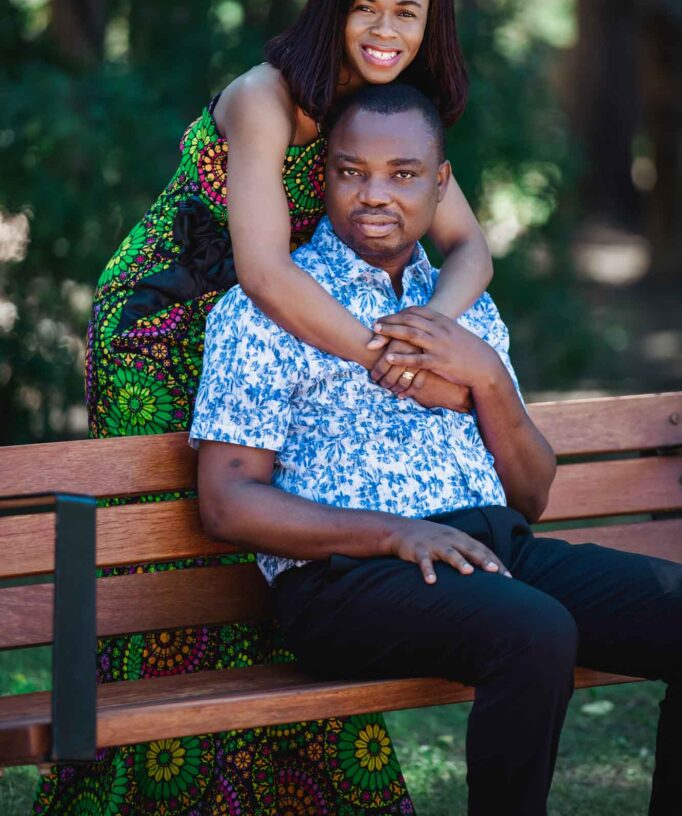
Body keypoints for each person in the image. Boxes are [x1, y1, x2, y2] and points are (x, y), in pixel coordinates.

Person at [34, 0, 491, 815]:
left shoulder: (390, 111)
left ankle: (283, 790)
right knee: (166, 563)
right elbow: (264, 272)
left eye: (408, 11)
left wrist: (433, 325)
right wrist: (383, 358)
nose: (384, 27)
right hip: (164, 335)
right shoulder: (267, 97)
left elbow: (469, 242)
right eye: (366, 6)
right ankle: (141, 786)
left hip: (275, 343)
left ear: (432, 27)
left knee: (270, 552)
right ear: (333, 8)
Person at [192, 82, 682, 816]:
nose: (373, 195)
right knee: (534, 628)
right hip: (344, 579)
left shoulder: (466, 307)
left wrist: (487, 378)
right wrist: (395, 533)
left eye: (403, 173)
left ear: (441, 182)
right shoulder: (266, 309)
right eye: (351, 171)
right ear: (323, 175)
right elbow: (227, 503)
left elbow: (530, 496)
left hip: (492, 552)